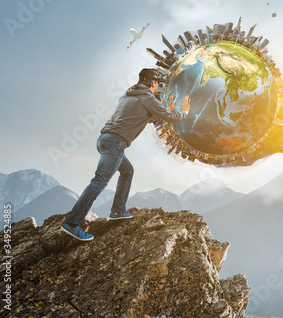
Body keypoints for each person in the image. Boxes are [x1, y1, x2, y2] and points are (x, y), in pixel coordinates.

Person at [61, 68, 191, 241]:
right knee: (99, 182)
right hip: (116, 142)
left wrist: (166, 109)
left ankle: (117, 211)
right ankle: (72, 223)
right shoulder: (148, 98)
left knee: (127, 171)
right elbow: (171, 118)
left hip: (105, 140)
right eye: (158, 84)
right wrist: (185, 112)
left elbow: (146, 117)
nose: (158, 87)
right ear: (153, 83)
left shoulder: (128, 96)